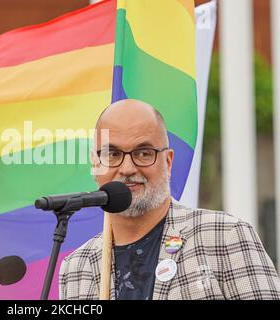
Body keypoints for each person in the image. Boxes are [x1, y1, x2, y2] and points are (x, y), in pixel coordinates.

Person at [59, 99, 280, 300]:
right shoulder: (76, 267)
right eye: (112, 154)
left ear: (168, 161)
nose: (127, 168)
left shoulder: (224, 235)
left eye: (144, 153)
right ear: (95, 164)